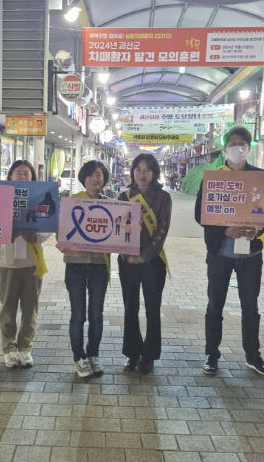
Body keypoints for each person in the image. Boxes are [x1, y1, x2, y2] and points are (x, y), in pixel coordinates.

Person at [195, 126, 264, 377]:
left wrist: (258, 231)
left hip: (251, 256)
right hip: (220, 253)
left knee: (250, 307)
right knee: (215, 305)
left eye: (243, 143)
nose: (238, 147)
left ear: (249, 147)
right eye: (233, 143)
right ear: (225, 148)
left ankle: (253, 355)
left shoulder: (260, 177)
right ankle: (211, 353)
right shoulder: (213, 177)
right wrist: (224, 231)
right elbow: (201, 214)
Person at [118, 154, 172, 374]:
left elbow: (162, 232)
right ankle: (132, 353)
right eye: (138, 169)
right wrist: (127, 254)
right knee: (130, 307)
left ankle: (149, 355)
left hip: (153, 262)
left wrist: (142, 257)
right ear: (132, 172)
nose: (142, 174)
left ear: (154, 173)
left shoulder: (163, 197)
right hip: (127, 261)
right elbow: (118, 230)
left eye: (148, 170)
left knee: (152, 307)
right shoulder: (125, 196)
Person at [57, 160, 111, 378]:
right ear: (83, 178)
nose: (94, 179)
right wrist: (63, 243)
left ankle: (93, 356)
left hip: (100, 265)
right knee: (78, 315)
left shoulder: (111, 205)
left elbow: (118, 231)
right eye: (90, 175)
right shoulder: (71, 203)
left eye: (98, 175)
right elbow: (60, 233)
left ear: (104, 179)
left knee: (96, 314)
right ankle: (79, 358)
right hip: (75, 264)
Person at [0, 160, 50, 368]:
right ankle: (9, 348)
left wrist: (35, 235)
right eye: (18, 173)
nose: (22, 177)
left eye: (26, 173)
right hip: (7, 262)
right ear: (9, 177)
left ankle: (25, 348)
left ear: (32, 178)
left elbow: (49, 225)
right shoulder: (0, 198)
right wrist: (7, 233)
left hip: (32, 261)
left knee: (30, 307)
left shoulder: (40, 199)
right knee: (7, 308)